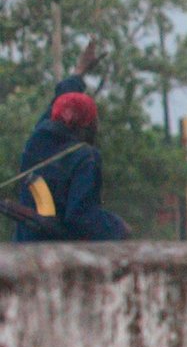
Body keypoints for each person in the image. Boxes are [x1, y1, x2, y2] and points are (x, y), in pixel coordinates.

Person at [10, 39, 129, 244]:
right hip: (54, 255)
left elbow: (63, 103)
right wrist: (117, 227)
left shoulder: (38, 139)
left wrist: (79, 71)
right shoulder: (85, 157)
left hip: (23, 246)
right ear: (86, 125)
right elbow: (80, 217)